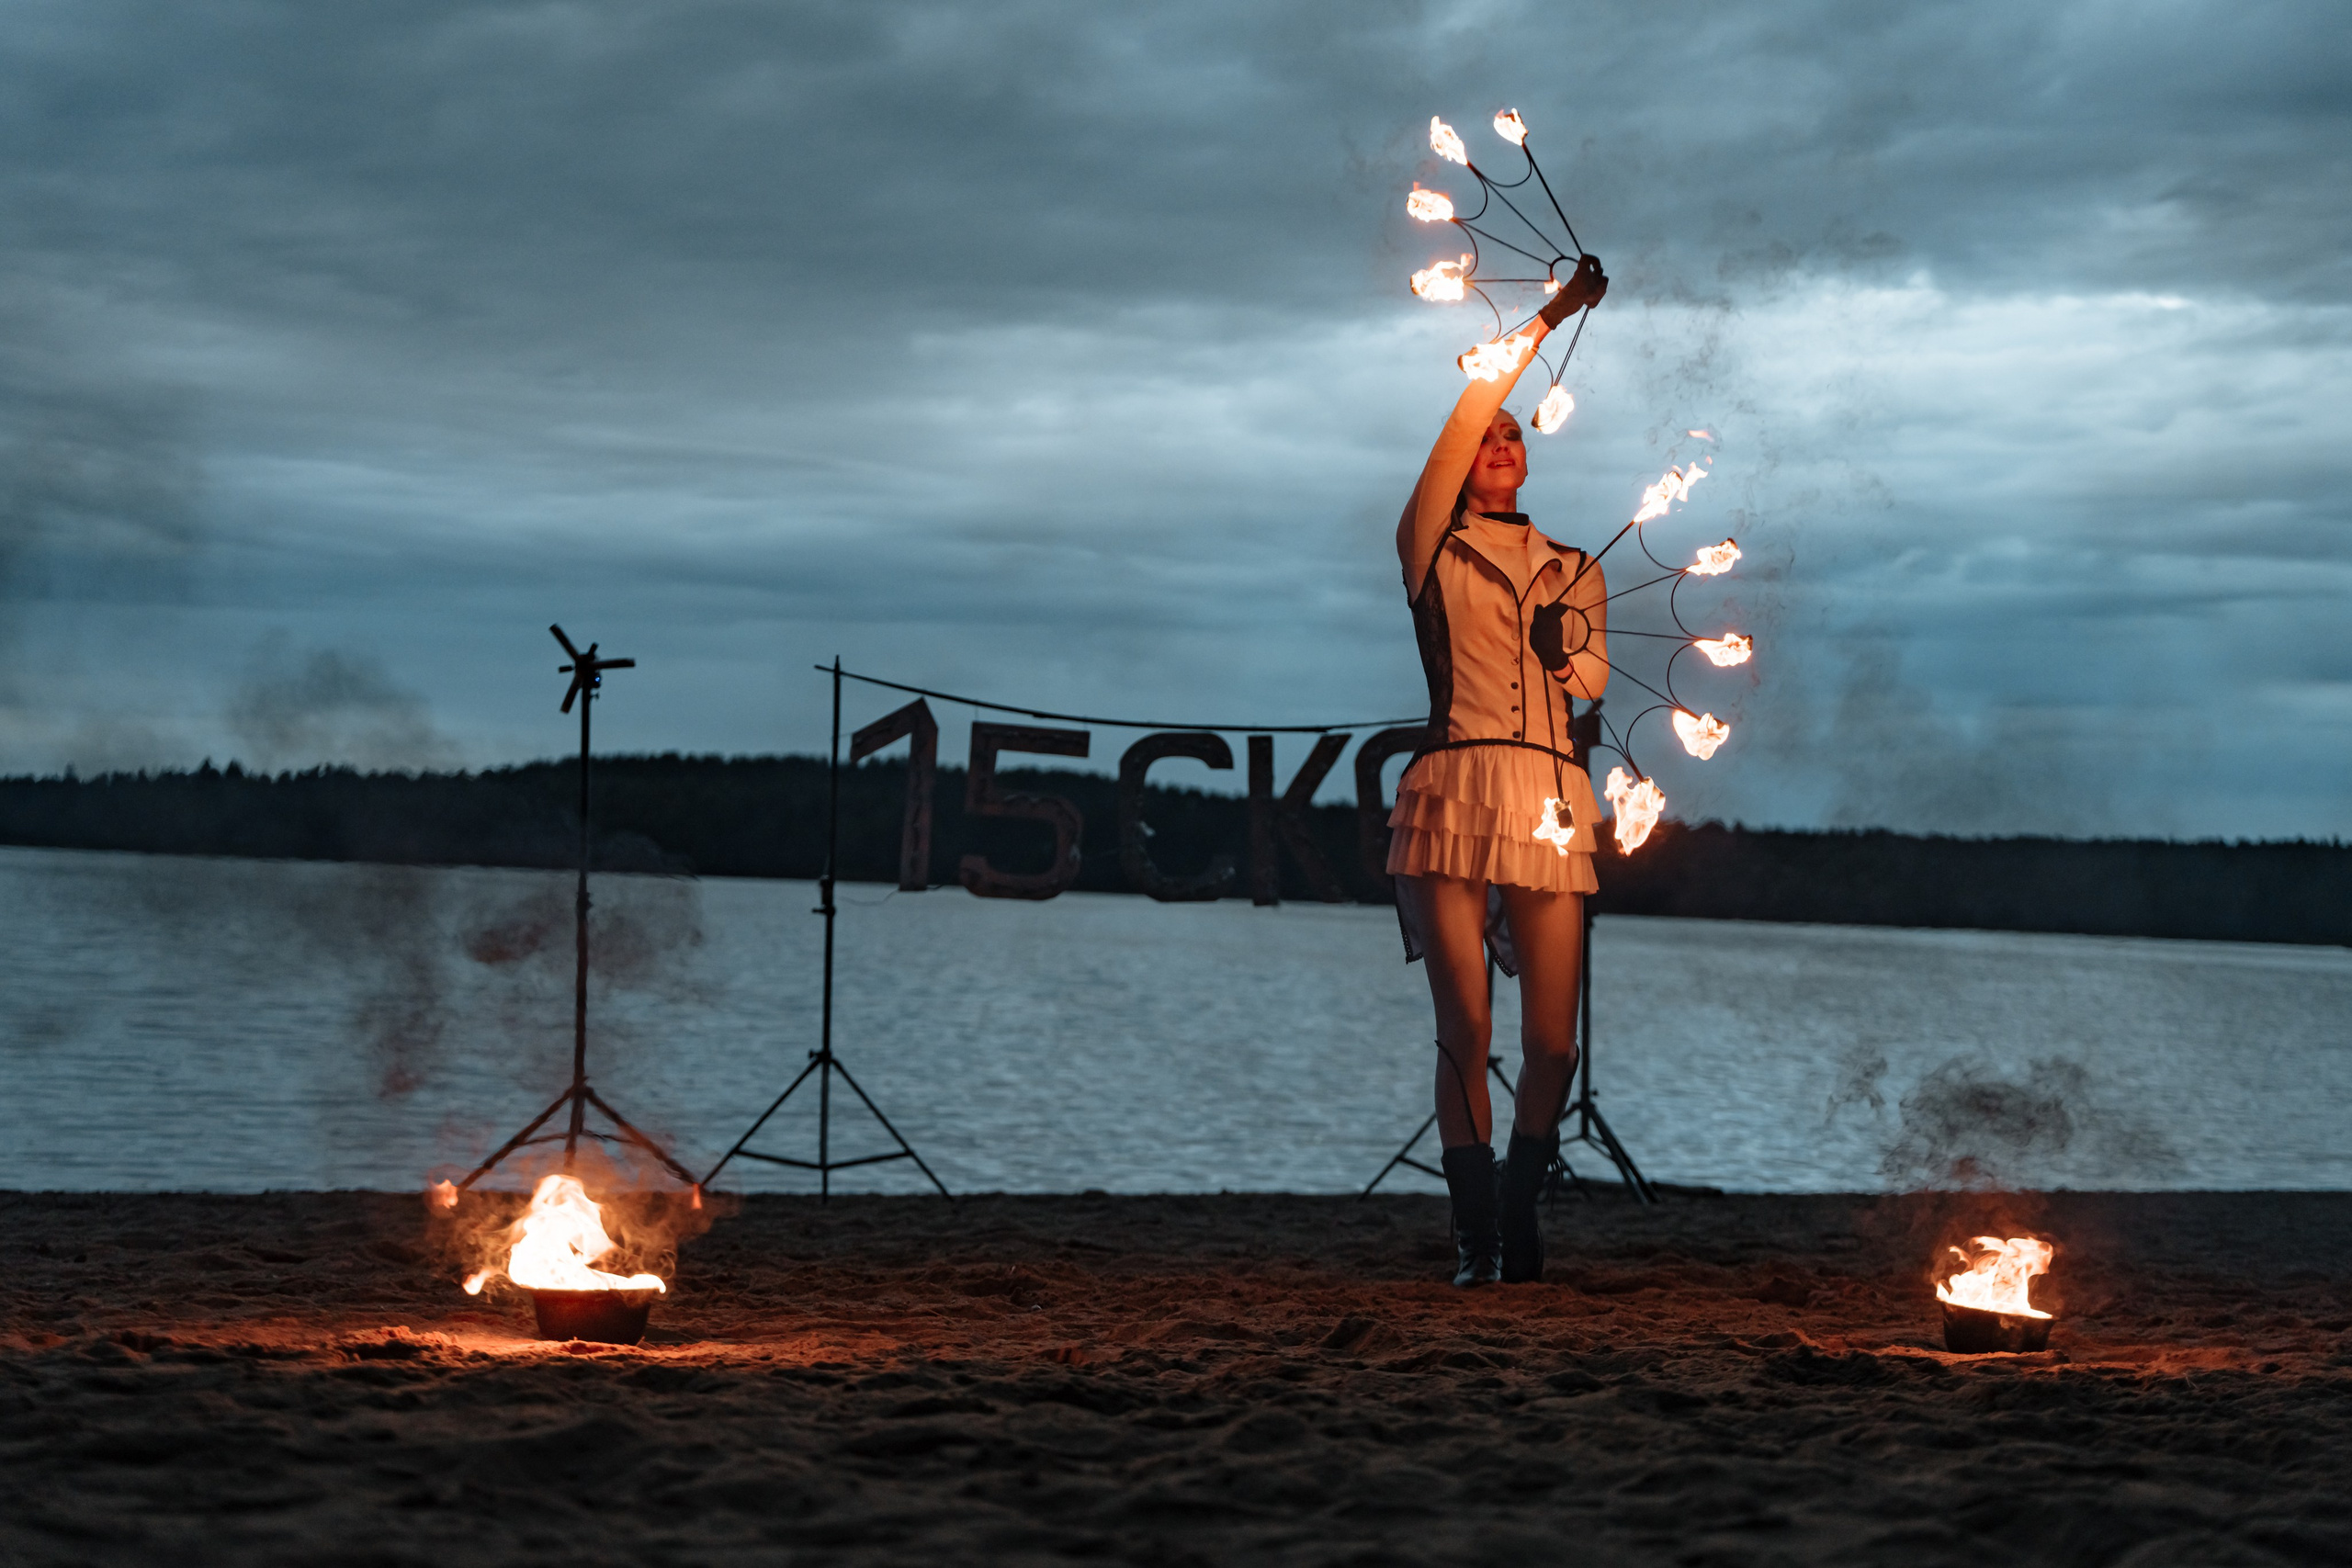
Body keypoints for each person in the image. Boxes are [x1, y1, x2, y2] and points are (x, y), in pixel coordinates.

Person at [1388, 254, 1611, 1287]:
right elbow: (1475, 399)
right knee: (1466, 1026)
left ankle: (1518, 1215)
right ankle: (1475, 1236)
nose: (1498, 441)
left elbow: (1593, 674)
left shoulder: (1577, 565)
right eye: (1485, 436)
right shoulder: (1428, 545)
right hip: (1454, 790)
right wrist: (1548, 315)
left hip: (1553, 797)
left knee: (1553, 1047)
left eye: (1512, 436)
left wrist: (1565, 641)